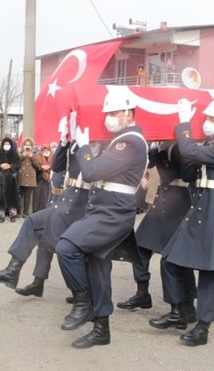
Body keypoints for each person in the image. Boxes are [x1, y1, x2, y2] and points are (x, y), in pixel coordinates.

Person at [55, 94, 148, 349]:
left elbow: (92, 172)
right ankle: (101, 329)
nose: (108, 119)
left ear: (129, 114)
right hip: (105, 210)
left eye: (114, 113)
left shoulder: (130, 142)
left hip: (113, 214)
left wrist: (85, 147)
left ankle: (82, 303)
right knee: (98, 269)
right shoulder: (120, 140)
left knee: (66, 247)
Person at [156, 98, 214, 346]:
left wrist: (184, 124)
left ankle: (203, 327)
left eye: (212, 119)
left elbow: (191, 151)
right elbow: (187, 170)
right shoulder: (210, 143)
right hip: (200, 205)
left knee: (209, 271)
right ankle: (180, 310)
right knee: (170, 259)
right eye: (206, 119)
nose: (207, 123)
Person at [0, 120, 91, 298]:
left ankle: (81, 293)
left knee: (60, 243)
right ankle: (36, 282)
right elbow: (57, 166)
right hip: (57, 199)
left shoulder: (90, 147)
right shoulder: (71, 146)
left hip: (76, 205)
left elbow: (88, 172)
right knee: (44, 243)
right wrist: (64, 143)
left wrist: (83, 145)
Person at [123, 143, 196, 323]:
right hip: (163, 200)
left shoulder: (182, 145)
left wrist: (161, 151)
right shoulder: (165, 145)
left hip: (179, 202)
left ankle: (185, 306)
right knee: (139, 246)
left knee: (176, 258)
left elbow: (170, 173)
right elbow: (149, 164)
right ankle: (142, 293)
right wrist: (154, 148)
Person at [0, 137, 21, 222]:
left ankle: (12, 214)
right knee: (0, 195)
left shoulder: (15, 154)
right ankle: (1, 214)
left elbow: (18, 164)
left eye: (8, 144)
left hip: (12, 178)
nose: (7, 145)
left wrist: (10, 166)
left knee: (12, 195)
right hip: (1, 177)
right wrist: (0, 166)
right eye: (5, 144)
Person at [17, 138, 41, 217]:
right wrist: (22, 156)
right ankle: (18, 211)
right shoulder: (19, 153)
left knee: (28, 197)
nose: (27, 147)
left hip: (30, 179)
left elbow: (38, 166)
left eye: (29, 145)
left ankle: (25, 212)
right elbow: (16, 164)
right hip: (21, 176)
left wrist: (32, 157)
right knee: (19, 195)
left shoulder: (35, 154)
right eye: (26, 145)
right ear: (23, 146)